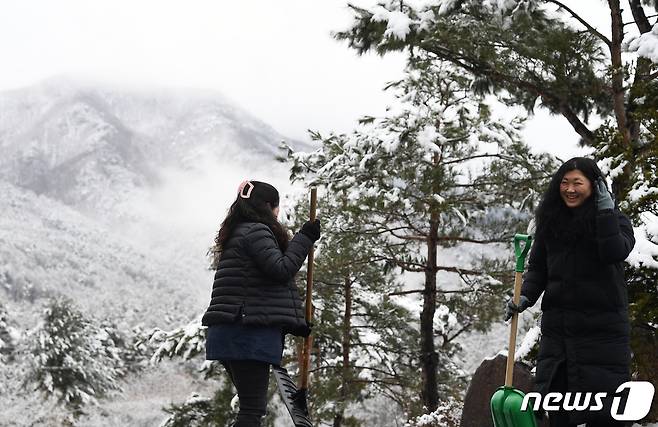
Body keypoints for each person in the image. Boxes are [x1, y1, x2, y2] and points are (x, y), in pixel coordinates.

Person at [504, 157, 635, 427]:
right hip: (560, 337)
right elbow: (539, 269)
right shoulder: (551, 223)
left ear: (595, 186)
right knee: (560, 412)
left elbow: (614, 252)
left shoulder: (616, 220)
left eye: (578, 183)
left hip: (602, 336)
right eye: (565, 182)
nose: (570, 189)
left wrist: (605, 213)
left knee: (606, 412)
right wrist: (525, 296)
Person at [202, 180, 320, 427]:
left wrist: (294, 324)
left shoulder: (239, 232)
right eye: (277, 207)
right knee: (252, 410)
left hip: (234, 330)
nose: (278, 214)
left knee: (250, 407)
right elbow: (281, 269)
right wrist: (305, 238)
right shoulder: (255, 231)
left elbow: (259, 292)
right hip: (245, 333)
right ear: (268, 206)